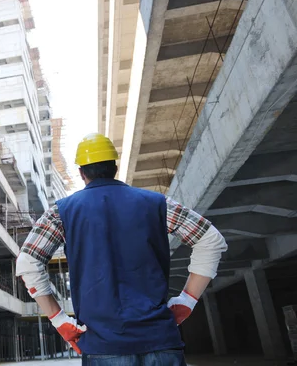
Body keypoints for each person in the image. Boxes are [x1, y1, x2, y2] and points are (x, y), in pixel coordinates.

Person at [16, 133, 227, 366]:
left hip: (103, 345)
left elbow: (28, 262)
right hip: (160, 340)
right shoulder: (157, 204)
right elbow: (210, 240)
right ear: (114, 167)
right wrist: (187, 300)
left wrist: (59, 320)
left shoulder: (61, 213)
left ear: (81, 173)